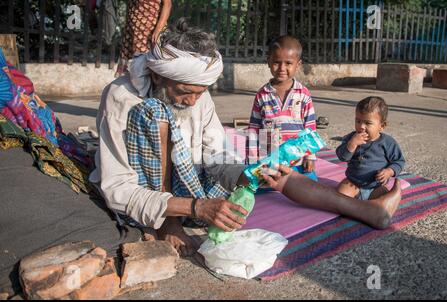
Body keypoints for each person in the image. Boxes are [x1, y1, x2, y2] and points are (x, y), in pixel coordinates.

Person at [90, 19, 402, 258]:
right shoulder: (121, 97)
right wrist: (194, 209)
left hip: (191, 179)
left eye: (200, 93)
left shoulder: (199, 97)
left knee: (269, 171)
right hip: (149, 186)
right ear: (157, 75)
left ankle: (368, 211)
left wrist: (247, 174)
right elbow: (118, 188)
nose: (193, 102)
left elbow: (214, 155)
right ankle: (167, 222)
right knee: (156, 114)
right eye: (185, 93)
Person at [247, 35, 317, 177]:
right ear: (268, 62)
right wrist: (253, 159)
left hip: (297, 160)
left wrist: (310, 157)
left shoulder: (303, 94)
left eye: (288, 63)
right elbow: (254, 129)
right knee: (254, 187)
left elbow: (310, 126)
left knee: (310, 188)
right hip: (270, 160)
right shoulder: (262, 95)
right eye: (277, 62)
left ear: (298, 64)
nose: (282, 68)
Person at [335, 97, 405, 201]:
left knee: (385, 198)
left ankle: (376, 206)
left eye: (368, 123)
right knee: (339, 194)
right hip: (352, 183)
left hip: (375, 186)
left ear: (382, 126)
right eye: (358, 121)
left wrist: (389, 171)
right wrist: (351, 145)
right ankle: (355, 207)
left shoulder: (388, 143)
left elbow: (399, 161)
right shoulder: (351, 138)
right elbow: (342, 157)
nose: (361, 126)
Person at [115, 0, 172, 77]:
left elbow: (167, 4)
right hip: (132, 29)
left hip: (150, 31)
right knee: (131, 73)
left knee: (147, 68)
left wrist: (158, 29)